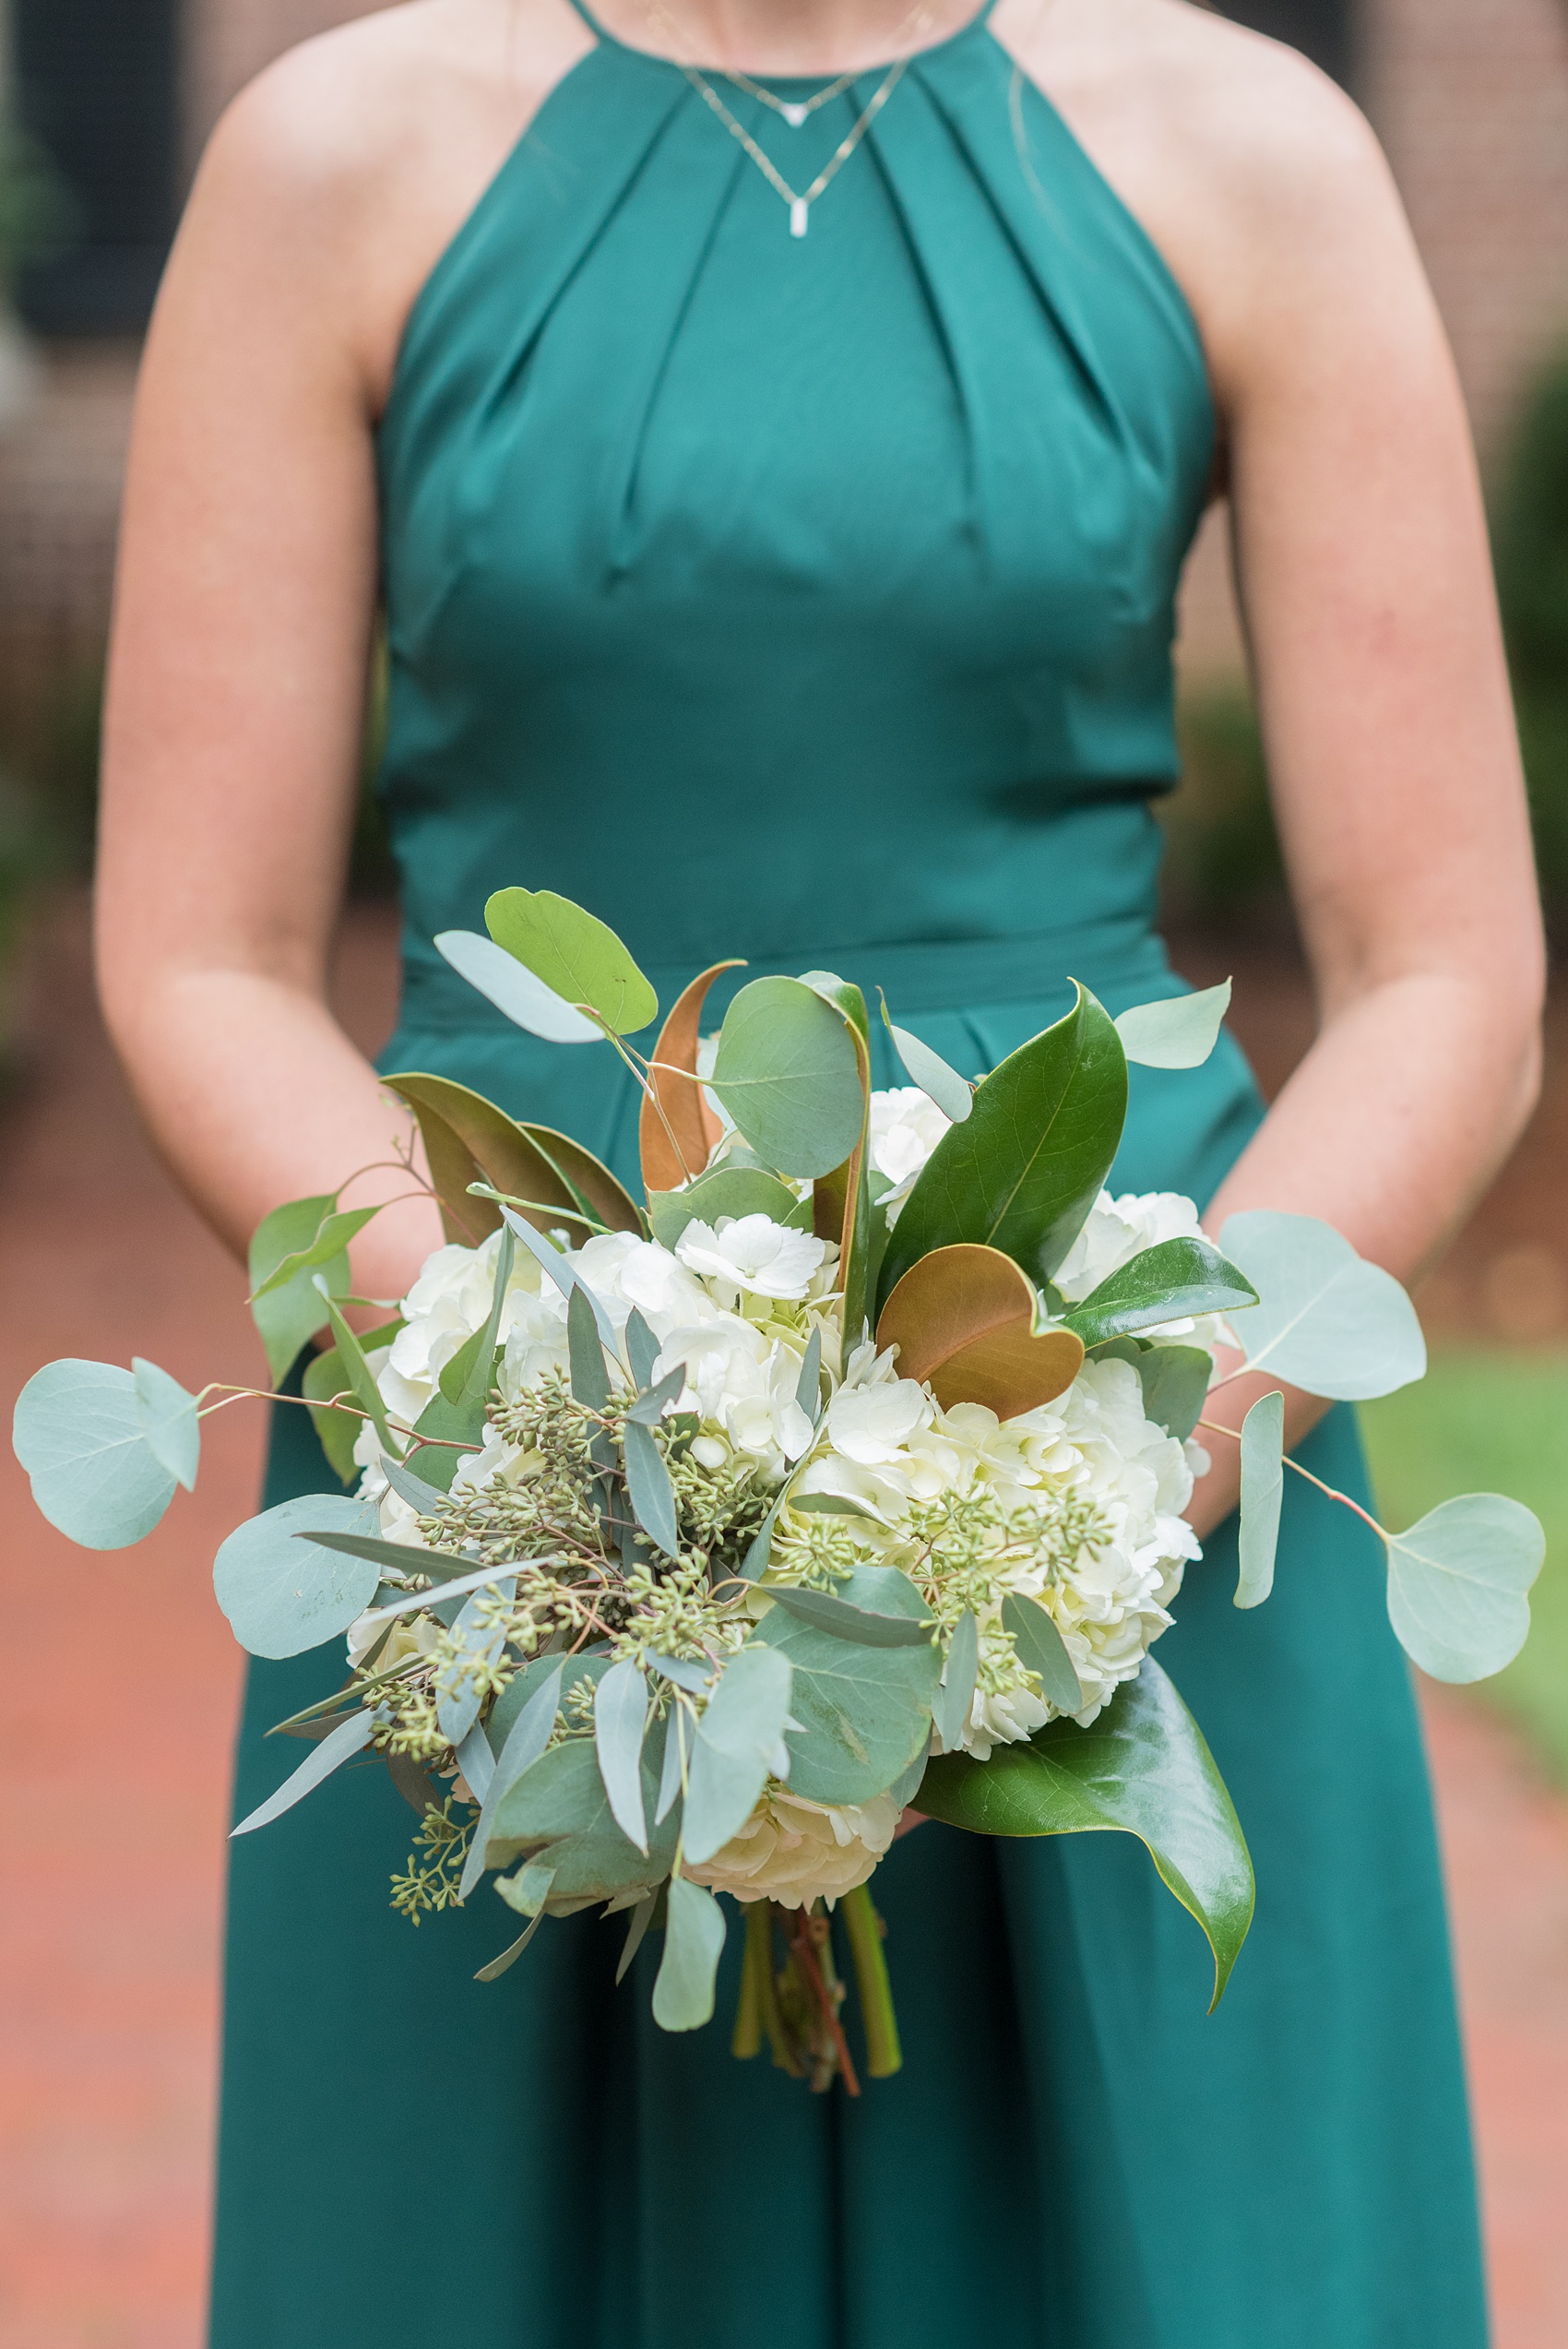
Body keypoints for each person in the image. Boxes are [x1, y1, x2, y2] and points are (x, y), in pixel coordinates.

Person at [95, 0, 1543, 2342]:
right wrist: (538, 1402)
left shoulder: (1249, 149)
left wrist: (1109, 1456)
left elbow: (1450, 968)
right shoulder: (333, 161)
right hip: (514, 1502)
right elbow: (198, 955)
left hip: (1124, 1414)